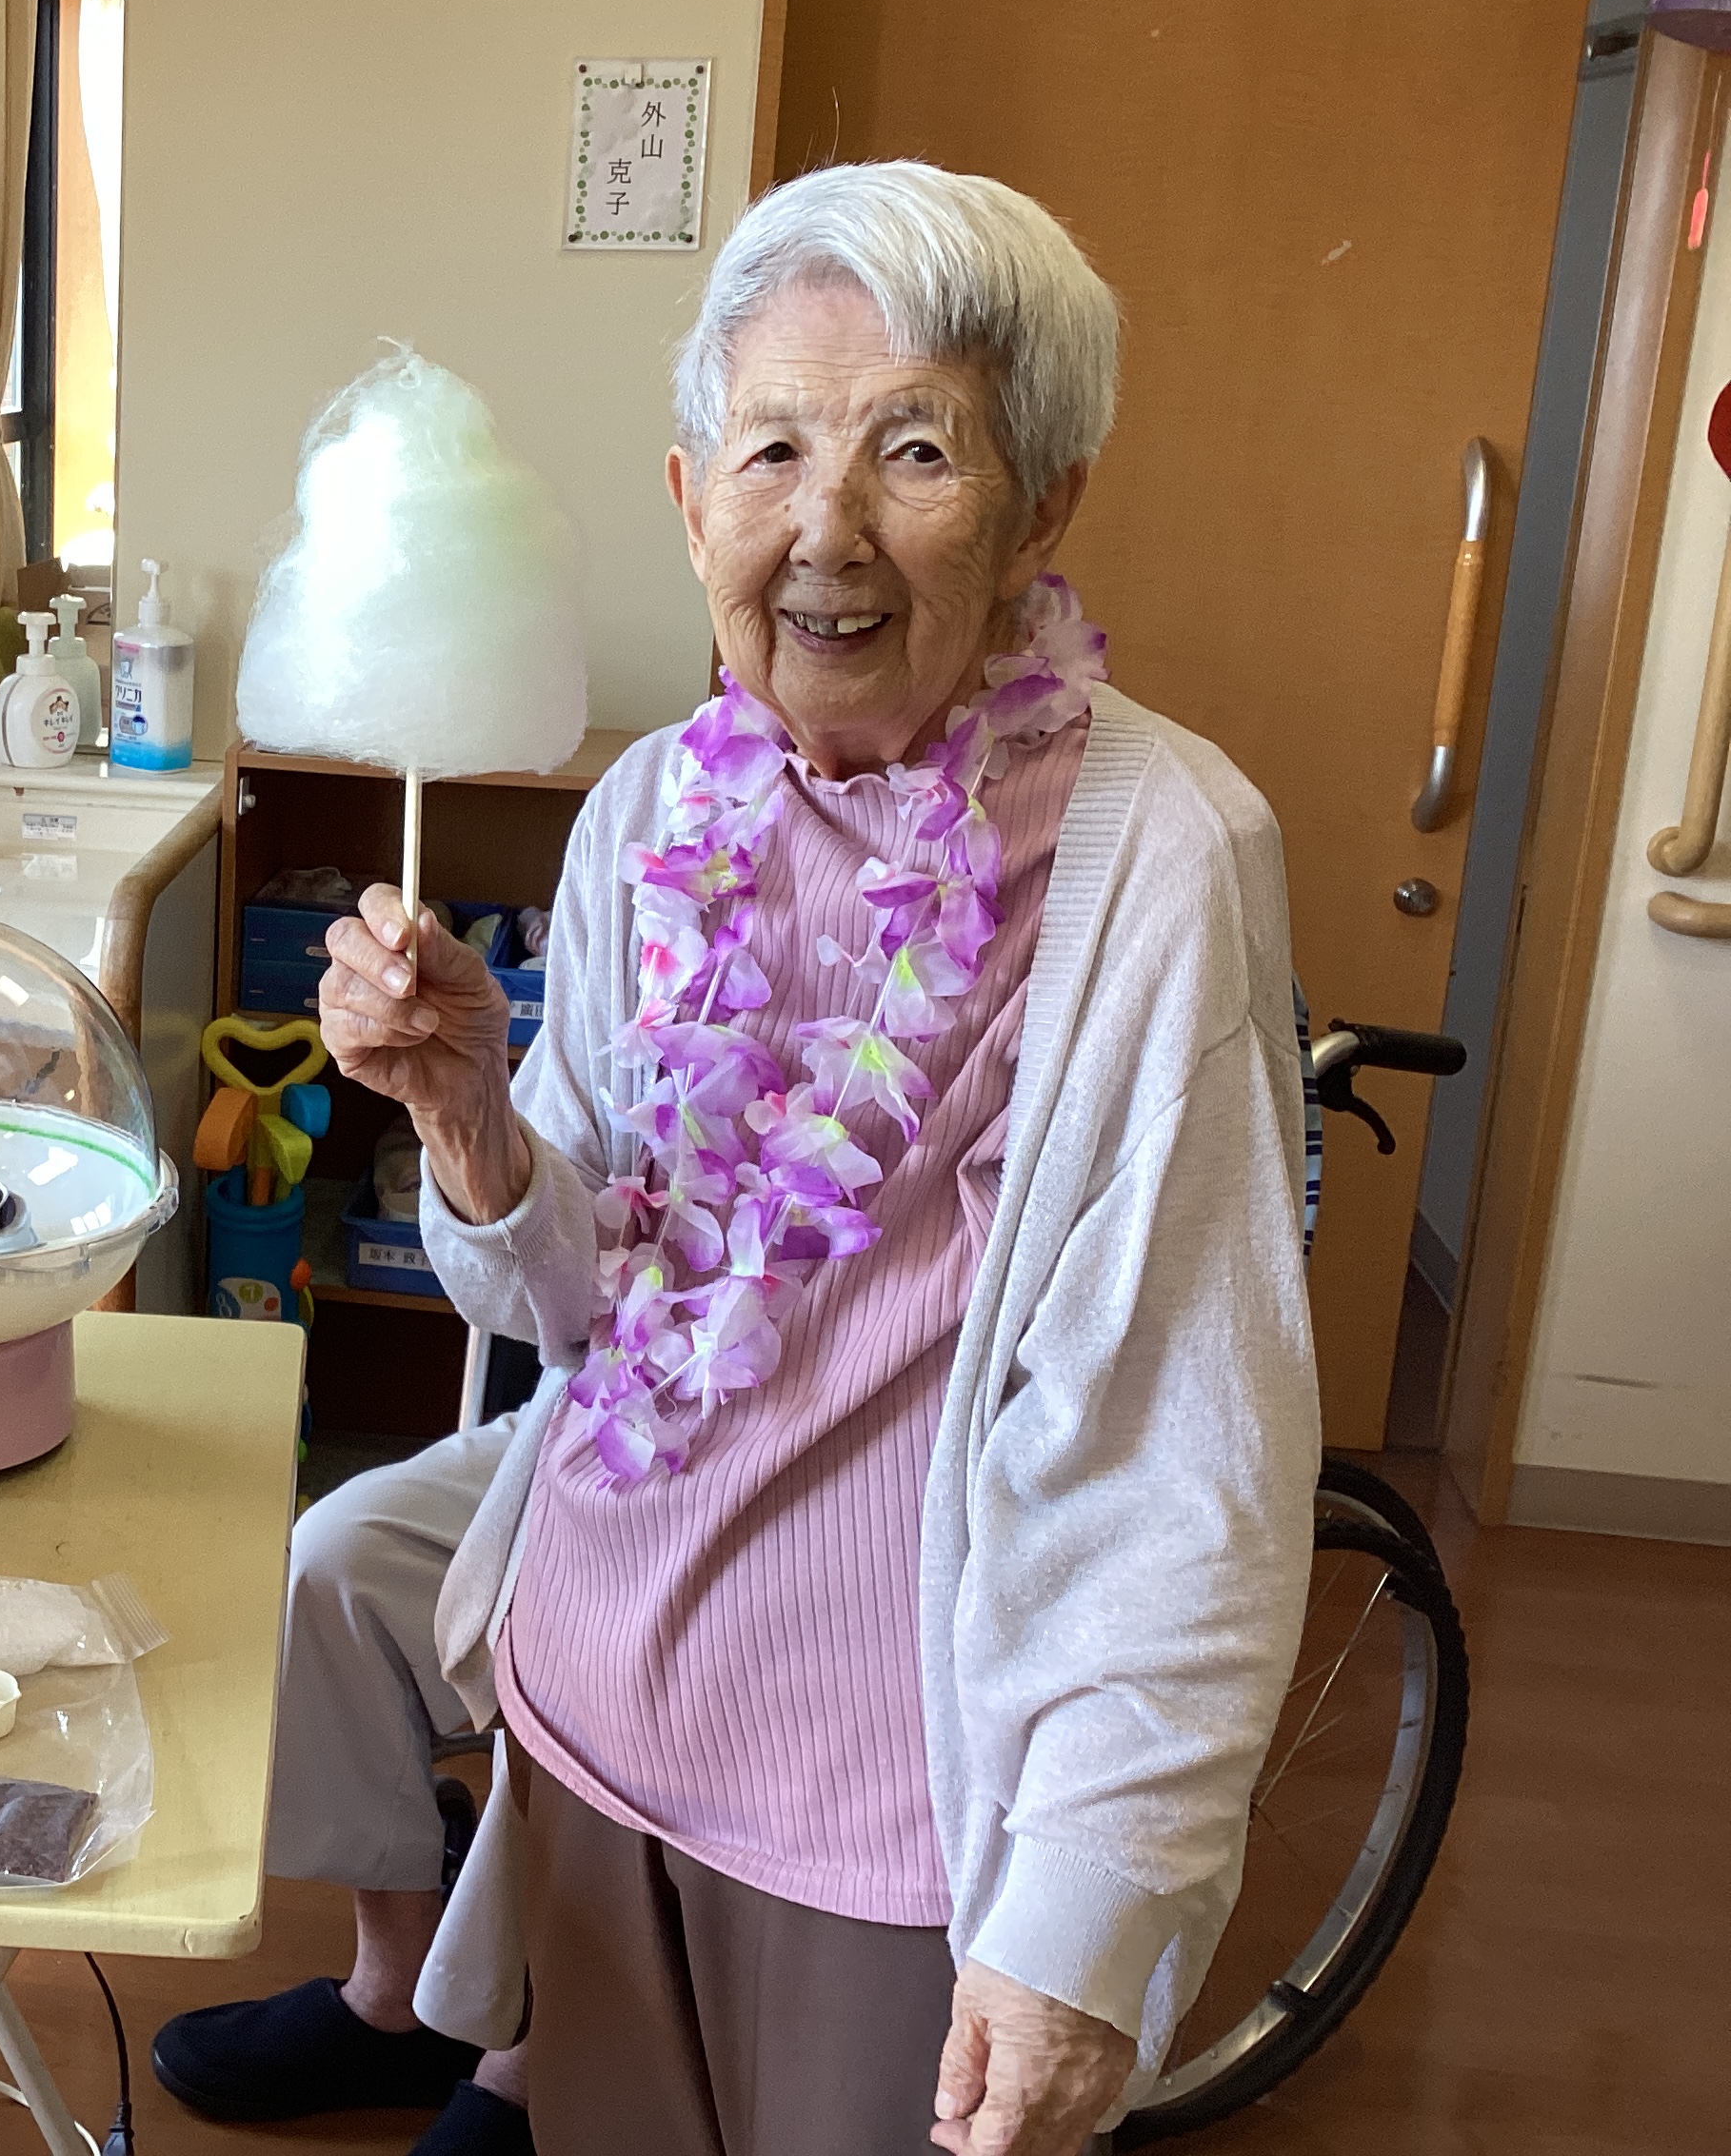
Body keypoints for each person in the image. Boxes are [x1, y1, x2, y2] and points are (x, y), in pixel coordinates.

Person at [313, 161, 1320, 2156]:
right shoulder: (641, 816)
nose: (826, 531)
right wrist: (471, 1121)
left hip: (884, 1815)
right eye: (771, 448)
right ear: (690, 497)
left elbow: (1184, 1449)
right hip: (592, 1711)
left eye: (914, 450)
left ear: (1043, 506)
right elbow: (579, 1310)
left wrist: (1084, 1918)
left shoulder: (1160, 856)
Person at [150, 1420, 534, 2155]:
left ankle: (527, 2075)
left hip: (776, 1479)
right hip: (613, 1400)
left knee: (621, 1651)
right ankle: (399, 1997)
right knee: (340, 1557)